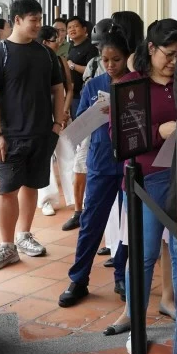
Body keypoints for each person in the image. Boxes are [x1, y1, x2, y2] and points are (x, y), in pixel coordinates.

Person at [99, 19, 177, 339]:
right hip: (146, 179)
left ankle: (176, 307)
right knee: (144, 252)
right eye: (169, 53)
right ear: (151, 49)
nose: (175, 61)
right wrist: (159, 131)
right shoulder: (131, 85)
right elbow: (119, 138)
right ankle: (133, 318)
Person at [0, 0, 67, 272]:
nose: (38, 25)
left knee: (31, 185)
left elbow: (58, 89)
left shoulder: (45, 54)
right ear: (17, 20)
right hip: (9, 137)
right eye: (33, 20)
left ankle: (24, 235)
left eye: (40, 19)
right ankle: (7, 246)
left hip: (41, 133)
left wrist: (57, 123)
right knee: (7, 190)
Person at [59, 26, 134, 306]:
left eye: (116, 59)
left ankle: (122, 277)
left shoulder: (136, 84)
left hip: (129, 162)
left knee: (128, 224)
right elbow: (80, 122)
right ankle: (78, 279)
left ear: (127, 57)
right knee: (91, 222)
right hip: (101, 162)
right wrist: (92, 116)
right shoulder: (93, 85)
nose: (111, 65)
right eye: (106, 60)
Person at [62, 16, 98, 231]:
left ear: (86, 30)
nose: (72, 30)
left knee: (83, 156)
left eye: (76, 26)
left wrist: (72, 66)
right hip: (79, 101)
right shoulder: (70, 47)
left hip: (90, 105)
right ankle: (78, 210)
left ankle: (85, 208)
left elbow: (85, 73)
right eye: (69, 27)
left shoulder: (91, 51)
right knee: (79, 152)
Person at [37, 25, 75, 217]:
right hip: (42, 115)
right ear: (45, 42)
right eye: (55, 40)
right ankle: (47, 200)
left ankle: (75, 197)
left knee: (69, 154)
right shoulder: (35, 61)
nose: (59, 42)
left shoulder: (60, 60)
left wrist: (64, 111)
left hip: (63, 115)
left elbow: (69, 88)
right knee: (45, 159)